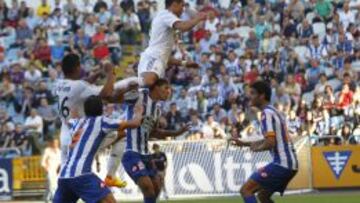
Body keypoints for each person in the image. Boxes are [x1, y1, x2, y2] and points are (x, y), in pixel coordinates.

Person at [55, 53, 135, 188]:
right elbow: (106, 94)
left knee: (66, 178)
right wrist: (111, 73)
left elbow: (83, 83)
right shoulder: (79, 86)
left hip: (65, 137)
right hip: (81, 138)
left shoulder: (59, 84)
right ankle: (110, 176)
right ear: (77, 67)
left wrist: (98, 73)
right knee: (122, 135)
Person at [54, 95, 143, 203]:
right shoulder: (101, 121)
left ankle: (111, 176)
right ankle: (111, 176)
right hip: (82, 175)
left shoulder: (76, 122)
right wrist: (139, 111)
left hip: (64, 177)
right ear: (101, 109)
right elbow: (135, 123)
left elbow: (69, 122)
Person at [121, 79, 190, 203]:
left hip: (146, 154)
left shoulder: (157, 110)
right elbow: (122, 97)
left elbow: (154, 132)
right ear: (156, 88)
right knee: (148, 187)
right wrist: (130, 88)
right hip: (131, 151)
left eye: (169, 89)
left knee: (157, 186)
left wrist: (177, 133)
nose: (168, 92)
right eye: (166, 88)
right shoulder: (140, 95)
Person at [230, 81, 298, 203]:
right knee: (263, 197)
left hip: (282, 164)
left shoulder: (266, 114)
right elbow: (270, 139)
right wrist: (245, 143)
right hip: (289, 164)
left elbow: (270, 143)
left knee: (246, 190)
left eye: (252, 93)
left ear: (261, 96)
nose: (249, 96)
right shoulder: (272, 111)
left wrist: (257, 148)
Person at [138, 0, 206, 90]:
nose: (183, 9)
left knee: (154, 93)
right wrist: (198, 18)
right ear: (174, 4)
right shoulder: (166, 15)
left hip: (156, 59)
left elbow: (166, 58)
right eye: (182, 6)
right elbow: (183, 26)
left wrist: (185, 63)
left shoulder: (166, 23)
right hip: (152, 58)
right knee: (148, 84)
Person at [41, 138, 61, 202]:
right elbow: (43, 162)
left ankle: (46, 199)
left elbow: (61, 162)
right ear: (52, 143)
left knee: (50, 186)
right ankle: (55, 200)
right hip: (50, 170)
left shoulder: (59, 151)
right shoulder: (47, 150)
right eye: (54, 143)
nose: (56, 144)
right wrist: (47, 169)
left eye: (57, 143)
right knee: (53, 186)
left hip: (58, 171)